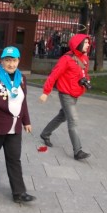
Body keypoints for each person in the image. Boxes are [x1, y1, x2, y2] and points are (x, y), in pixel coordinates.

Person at [0, 46, 36, 203]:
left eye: (14, 60)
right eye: (8, 60)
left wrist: (26, 121)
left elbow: (23, 102)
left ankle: (19, 193)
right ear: (1, 61)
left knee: (14, 159)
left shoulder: (21, 78)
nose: (11, 64)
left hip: (14, 128)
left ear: (18, 61)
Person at [39, 33, 92, 161]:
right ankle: (77, 151)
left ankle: (45, 134)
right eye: (85, 43)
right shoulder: (66, 59)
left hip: (75, 93)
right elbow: (54, 75)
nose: (88, 45)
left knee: (62, 116)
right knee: (73, 120)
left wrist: (86, 81)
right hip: (66, 93)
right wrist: (46, 92)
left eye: (88, 43)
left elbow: (84, 73)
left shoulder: (84, 58)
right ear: (78, 44)